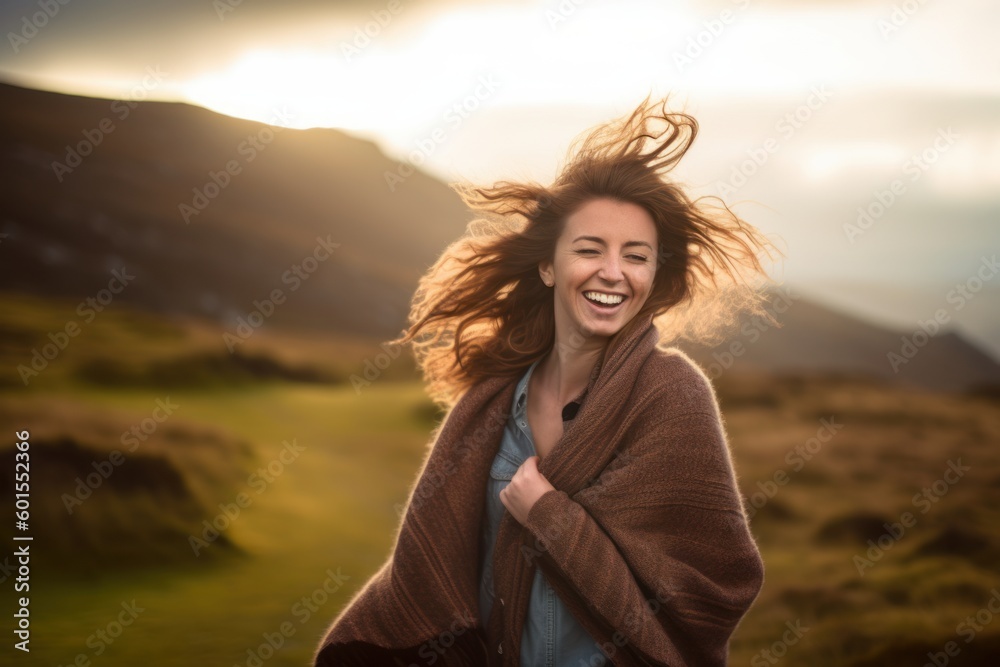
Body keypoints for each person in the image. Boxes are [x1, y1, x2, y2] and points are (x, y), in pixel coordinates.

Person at [314, 93, 785, 666]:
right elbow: (436, 562)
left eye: (636, 256)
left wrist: (549, 515)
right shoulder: (492, 403)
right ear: (548, 266)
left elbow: (717, 587)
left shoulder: (672, 394)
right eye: (591, 250)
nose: (613, 272)